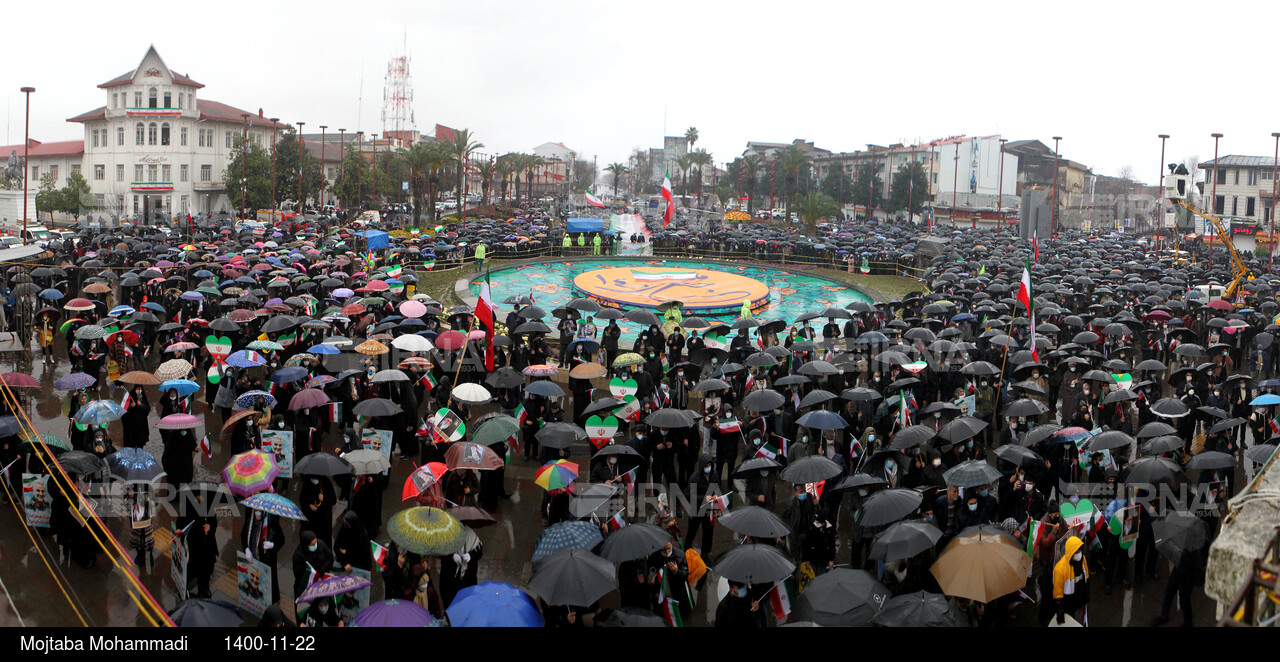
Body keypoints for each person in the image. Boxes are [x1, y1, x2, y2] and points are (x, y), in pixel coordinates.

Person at [1053, 535, 1091, 625]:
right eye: (1076, 551)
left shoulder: (1083, 559)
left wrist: (1087, 593)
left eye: (1080, 550)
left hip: (1080, 601)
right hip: (1068, 605)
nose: (1079, 553)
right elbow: (1058, 593)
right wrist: (1060, 611)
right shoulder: (1060, 569)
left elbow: (1087, 578)